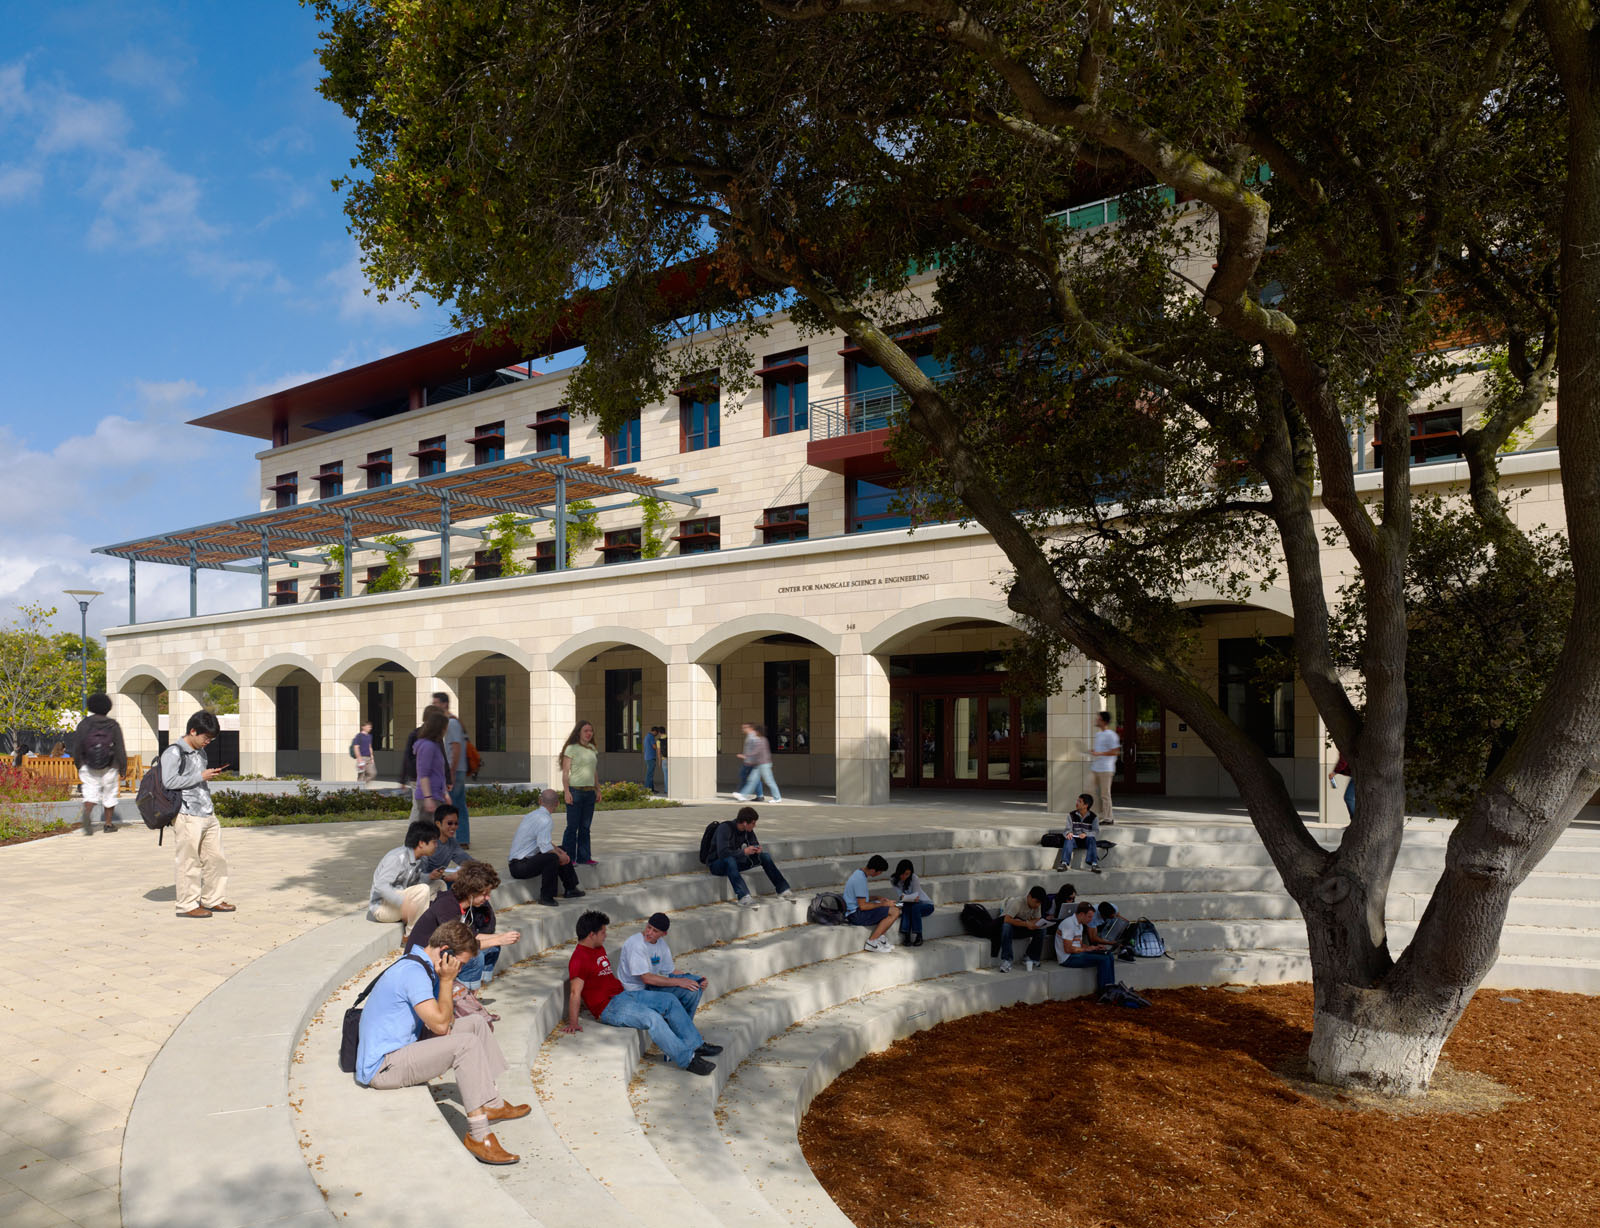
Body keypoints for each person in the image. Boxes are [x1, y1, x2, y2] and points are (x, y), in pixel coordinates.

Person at [355, 918, 530, 1165]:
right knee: (465, 1045)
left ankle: (492, 1102)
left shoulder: (420, 965)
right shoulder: (414, 974)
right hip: (384, 1066)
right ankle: (479, 1136)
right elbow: (439, 1024)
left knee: (476, 1023)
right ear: (445, 952)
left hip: (402, 1049)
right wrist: (447, 981)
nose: (460, 970)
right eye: (461, 963)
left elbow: (440, 1022)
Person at [562, 910, 720, 1075]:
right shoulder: (578, 959)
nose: (606, 935)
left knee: (670, 1000)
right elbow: (575, 992)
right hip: (608, 1008)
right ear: (591, 934)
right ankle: (688, 1059)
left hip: (624, 995)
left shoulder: (598, 948)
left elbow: (669, 971)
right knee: (652, 1018)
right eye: (603, 932)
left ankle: (695, 1044)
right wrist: (573, 1023)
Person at [405, 862, 521, 994]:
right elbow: (463, 945)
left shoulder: (464, 906)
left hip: (444, 949)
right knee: (474, 958)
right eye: (484, 894)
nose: (487, 898)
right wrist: (499, 939)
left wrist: (500, 937)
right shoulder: (447, 906)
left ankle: (473, 990)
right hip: (423, 958)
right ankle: (463, 998)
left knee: (492, 948)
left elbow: (472, 935)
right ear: (470, 892)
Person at [163, 711, 232, 919]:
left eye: (211, 739)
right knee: (188, 860)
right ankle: (186, 904)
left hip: (206, 810)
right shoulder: (174, 753)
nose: (207, 742)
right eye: (205, 738)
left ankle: (213, 899)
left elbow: (196, 779)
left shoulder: (200, 753)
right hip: (186, 813)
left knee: (216, 858)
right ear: (193, 731)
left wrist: (206, 776)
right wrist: (200, 775)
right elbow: (169, 782)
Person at [617, 912, 708, 1018]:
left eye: (655, 931)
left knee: (695, 988)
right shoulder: (636, 944)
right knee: (689, 992)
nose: (649, 932)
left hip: (650, 987)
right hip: (635, 992)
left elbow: (672, 971)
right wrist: (679, 982)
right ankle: (681, 1025)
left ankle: (683, 1023)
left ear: (664, 934)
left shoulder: (662, 945)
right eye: (648, 927)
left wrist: (697, 980)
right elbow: (646, 978)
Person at [508, 788, 585, 905]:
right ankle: (546, 897)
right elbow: (545, 847)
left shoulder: (532, 815)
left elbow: (543, 841)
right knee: (552, 858)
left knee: (562, 849)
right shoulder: (546, 820)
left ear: (540, 801)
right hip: (519, 867)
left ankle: (571, 888)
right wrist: (561, 857)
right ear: (557, 804)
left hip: (518, 864)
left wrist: (559, 851)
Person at [706, 806, 795, 908]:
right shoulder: (725, 828)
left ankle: (783, 890)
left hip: (734, 862)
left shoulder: (747, 830)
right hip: (717, 864)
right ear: (744, 823)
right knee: (729, 860)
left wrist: (757, 849)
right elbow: (723, 853)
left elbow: (754, 843)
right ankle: (743, 897)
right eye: (753, 823)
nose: (755, 825)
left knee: (764, 857)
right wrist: (744, 851)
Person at [72, 692, 127, 835]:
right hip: (110, 765)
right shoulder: (113, 725)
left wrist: (79, 764)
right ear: (108, 707)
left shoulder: (84, 724)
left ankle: (87, 813)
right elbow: (119, 747)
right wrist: (123, 767)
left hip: (87, 764)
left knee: (90, 791)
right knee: (110, 793)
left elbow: (77, 746)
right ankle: (108, 824)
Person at [368, 819, 441, 925]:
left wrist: (430, 876)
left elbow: (415, 882)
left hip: (401, 902)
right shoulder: (397, 858)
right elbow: (381, 886)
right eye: (434, 842)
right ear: (421, 843)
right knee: (423, 890)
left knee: (439, 884)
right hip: (383, 908)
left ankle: (433, 920)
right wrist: (402, 903)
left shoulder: (420, 858)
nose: (436, 846)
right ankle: (411, 935)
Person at [559, 719, 601, 867]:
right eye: (586, 731)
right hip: (575, 792)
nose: (589, 733)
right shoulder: (571, 748)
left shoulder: (592, 749)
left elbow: (594, 771)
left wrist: (598, 789)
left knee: (585, 827)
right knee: (572, 827)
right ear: (579, 732)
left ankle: (585, 857)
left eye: (591, 731)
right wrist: (566, 792)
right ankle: (569, 858)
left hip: (589, 793)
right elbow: (565, 773)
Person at [435, 692, 472, 848]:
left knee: (451, 806)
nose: (434, 705)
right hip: (456, 769)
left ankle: (454, 839)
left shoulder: (452, 723)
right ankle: (461, 839)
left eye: (436, 703)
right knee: (457, 804)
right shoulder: (450, 722)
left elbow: (455, 748)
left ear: (444, 704)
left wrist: (451, 771)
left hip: (455, 770)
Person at [842, 854, 902, 951]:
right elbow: (863, 906)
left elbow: (860, 899)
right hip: (855, 915)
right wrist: (884, 904)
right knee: (895, 911)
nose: (880, 874)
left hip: (855, 911)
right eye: (880, 872)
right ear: (874, 870)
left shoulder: (859, 873)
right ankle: (872, 942)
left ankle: (880, 938)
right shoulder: (860, 879)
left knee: (894, 906)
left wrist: (877, 898)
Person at [1056, 900, 1118, 991]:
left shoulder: (1080, 925)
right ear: (1081, 914)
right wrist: (1087, 950)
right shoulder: (1068, 924)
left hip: (1076, 954)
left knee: (1108, 955)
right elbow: (1068, 949)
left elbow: (1079, 944)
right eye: (1089, 917)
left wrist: (1094, 948)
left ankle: (1111, 986)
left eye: (1092, 917)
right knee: (1104, 959)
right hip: (1067, 958)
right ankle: (1105, 991)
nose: (1091, 920)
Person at [419, 804, 480, 883]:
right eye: (450, 823)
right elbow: (415, 877)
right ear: (438, 824)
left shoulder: (452, 842)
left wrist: (483, 867)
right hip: (421, 885)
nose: (454, 827)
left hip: (437, 881)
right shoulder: (426, 842)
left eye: (456, 823)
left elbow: (468, 861)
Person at [410, 707, 450, 823]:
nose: (446, 731)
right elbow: (423, 774)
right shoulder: (427, 746)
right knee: (429, 834)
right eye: (445, 728)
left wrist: (445, 793)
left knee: (437, 833)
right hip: (428, 796)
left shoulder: (435, 745)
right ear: (439, 728)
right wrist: (428, 798)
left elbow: (439, 772)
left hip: (437, 794)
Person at [996, 886, 1049, 972]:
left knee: (1042, 929)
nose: (1037, 905)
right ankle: (1007, 960)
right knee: (1006, 926)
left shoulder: (1037, 905)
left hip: (1023, 927)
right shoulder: (1018, 902)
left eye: (1039, 903)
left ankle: (1031, 957)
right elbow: (1007, 919)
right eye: (1036, 902)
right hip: (1011, 929)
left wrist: (1033, 924)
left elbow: (1037, 919)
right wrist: (1026, 923)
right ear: (1029, 897)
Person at [890, 858, 935, 946]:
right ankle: (907, 936)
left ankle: (918, 935)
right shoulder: (893, 879)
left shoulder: (914, 878)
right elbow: (902, 897)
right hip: (909, 905)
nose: (904, 876)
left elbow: (916, 898)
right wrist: (896, 903)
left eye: (907, 874)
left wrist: (902, 900)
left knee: (914, 906)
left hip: (926, 905)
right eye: (902, 874)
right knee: (908, 906)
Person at [1056, 793, 1104, 874]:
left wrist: (1086, 834)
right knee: (1068, 839)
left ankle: (1094, 864)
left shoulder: (1094, 817)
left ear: (1086, 805)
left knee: (1091, 839)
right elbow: (1067, 829)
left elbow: (1096, 831)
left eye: (1079, 801)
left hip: (1086, 840)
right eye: (1077, 800)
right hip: (1074, 840)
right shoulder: (1071, 815)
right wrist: (1069, 833)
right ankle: (1064, 863)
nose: (1077, 803)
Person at [733, 722, 781, 802]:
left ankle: (777, 798)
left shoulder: (761, 740)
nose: (754, 732)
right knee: (752, 780)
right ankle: (743, 795)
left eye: (755, 731)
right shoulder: (762, 739)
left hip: (764, 764)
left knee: (769, 781)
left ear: (758, 732)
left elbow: (756, 751)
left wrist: (745, 755)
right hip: (760, 764)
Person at [1090, 711, 1121, 824]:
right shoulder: (1098, 735)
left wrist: (1100, 753)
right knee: (1092, 793)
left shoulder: (1111, 735)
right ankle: (1097, 816)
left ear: (1103, 721)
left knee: (1105, 794)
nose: (1096, 720)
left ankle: (1109, 818)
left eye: (1098, 719)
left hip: (1106, 769)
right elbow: (1100, 751)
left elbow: (1115, 752)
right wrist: (1094, 752)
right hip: (1096, 768)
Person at [1330, 754, 1355, 821]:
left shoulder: (1346, 745)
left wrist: (1335, 772)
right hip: (1358, 773)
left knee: (1349, 798)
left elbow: (1343, 760)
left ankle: (1355, 820)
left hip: (1360, 775)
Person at [351, 720, 375, 789]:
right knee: (361, 775)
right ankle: (358, 790)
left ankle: (362, 785)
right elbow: (356, 747)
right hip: (362, 758)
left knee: (372, 773)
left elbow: (370, 746)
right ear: (363, 727)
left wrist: (372, 757)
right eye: (368, 727)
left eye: (370, 727)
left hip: (369, 758)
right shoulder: (359, 736)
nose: (370, 728)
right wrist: (359, 758)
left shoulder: (370, 736)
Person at [643, 725, 662, 793]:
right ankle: (647, 789)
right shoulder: (651, 737)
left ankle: (651, 789)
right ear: (654, 731)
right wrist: (660, 745)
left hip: (647, 757)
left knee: (650, 774)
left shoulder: (647, 736)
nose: (656, 735)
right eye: (656, 733)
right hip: (651, 757)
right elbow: (654, 747)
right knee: (649, 774)